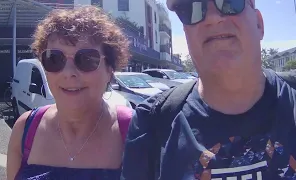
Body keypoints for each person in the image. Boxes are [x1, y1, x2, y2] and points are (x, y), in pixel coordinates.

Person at [121, 0, 296, 179]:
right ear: (186, 33)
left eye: (229, 2)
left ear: (259, 23)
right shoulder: (151, 123)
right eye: (193, 9)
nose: (212, 18)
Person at [7, 6, 132, 180]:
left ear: (110, 70)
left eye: (87, 59)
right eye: (54, 59)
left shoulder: (135, 130)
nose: (68, 72)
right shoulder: (25, 129)